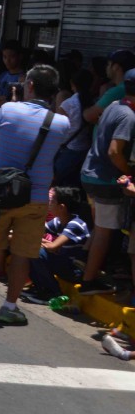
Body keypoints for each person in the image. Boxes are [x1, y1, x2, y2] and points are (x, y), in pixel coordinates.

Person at [0, 65, 69, 325]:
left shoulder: (7, 109)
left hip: (1, 194)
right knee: (22, 253)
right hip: (36, 197)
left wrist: (14, 105)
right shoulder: (62, 122)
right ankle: (9, 306)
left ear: (29, 85)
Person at [76, 67, 135, 296]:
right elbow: (114, 151)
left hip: (90, 174)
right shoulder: (129, 116)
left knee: (99, 225)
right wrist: (128, 170)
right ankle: (89, 280)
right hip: (106, 180)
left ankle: (84, 263)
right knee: (104, 231)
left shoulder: (113, 105)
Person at [23, 186, 90, 303]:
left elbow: (53, 246)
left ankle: (52, 292)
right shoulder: (58, 220)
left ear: (61, 207)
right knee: (28, 248)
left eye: (52, 202)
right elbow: (37, 232)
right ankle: (39, 288)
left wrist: (39, 241)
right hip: (62, 262)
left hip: (75, 270)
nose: (49, 204)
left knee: (37, 252)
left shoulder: (75, 224)